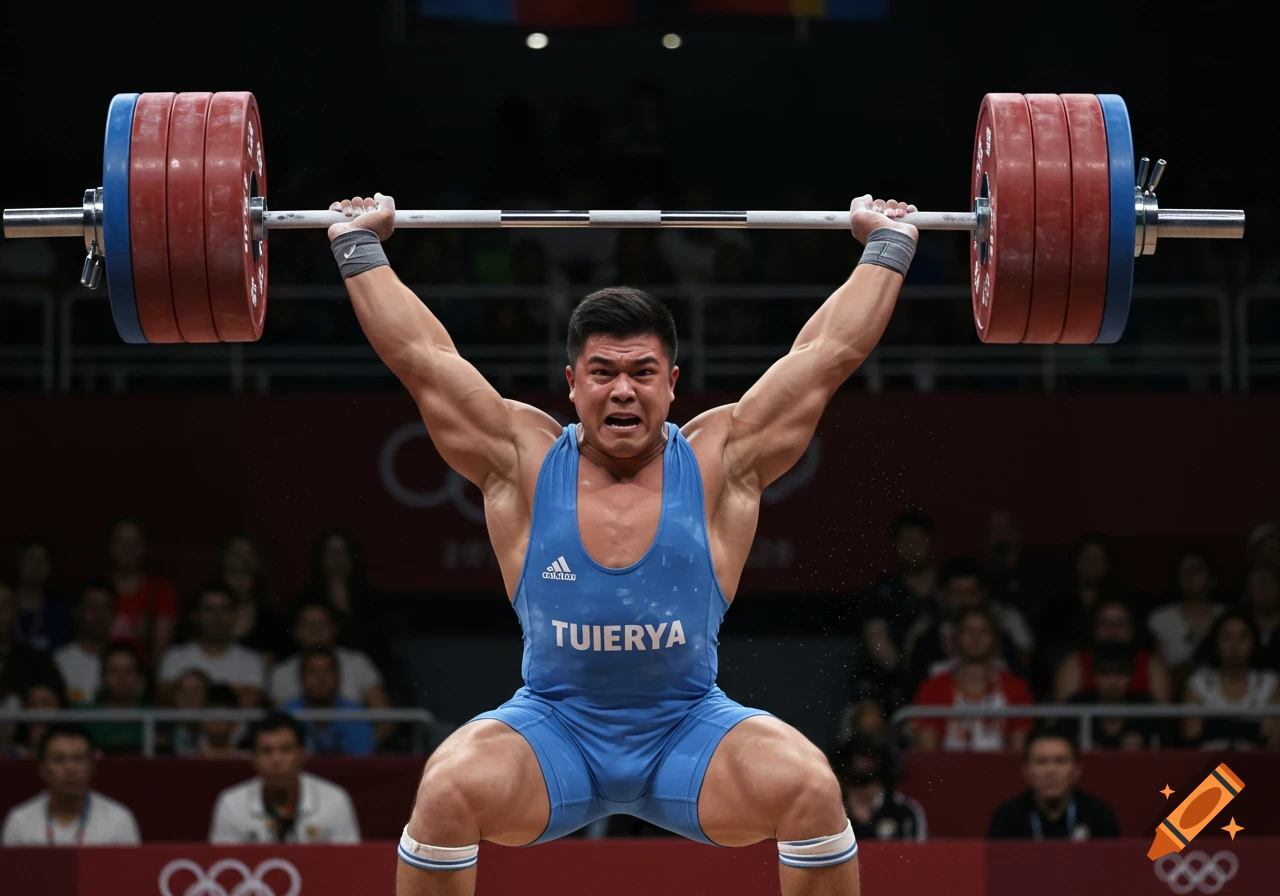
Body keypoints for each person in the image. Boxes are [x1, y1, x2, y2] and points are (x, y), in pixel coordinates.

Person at [326, 191, 921, 895]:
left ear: (671, 385)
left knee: (809, 788)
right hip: (555, 730)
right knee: (448, 789)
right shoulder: (520, 458)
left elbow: (824, 356)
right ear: (572, 382)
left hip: (687, 730)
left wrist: (887, 245)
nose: (623, 392)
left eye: (642, 373)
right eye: (603, 373)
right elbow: (423, 358)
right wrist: (357, 245)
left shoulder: (718, 460)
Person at [208, 712, 360, 843]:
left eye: (285, 750)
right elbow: (223, 867)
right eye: (267, 751)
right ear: (254, 759)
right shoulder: (231, 803)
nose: (276, 760)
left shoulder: (334, 800)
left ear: (302, 755)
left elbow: (349, 864)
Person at [1, 723, 141, 845]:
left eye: (79, 759)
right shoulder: (20, 821)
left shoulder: (119, 820)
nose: (70, 768)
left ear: (92, 766)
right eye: (59, 759)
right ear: (42, 769)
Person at [986, 728, 1121, 840]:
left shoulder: (1099, 816)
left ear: (1076, 770)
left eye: (1060, 761)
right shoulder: (1007, 819)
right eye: (1041, 762)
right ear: (1027, 771)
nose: (1051, 771)